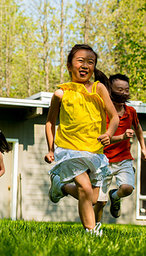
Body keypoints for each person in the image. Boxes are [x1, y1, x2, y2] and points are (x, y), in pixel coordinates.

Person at [45, 44, 119, 236]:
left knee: (93, 198)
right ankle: (90, 231)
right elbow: (50, 123)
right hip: (69, 149)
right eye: (80, 61)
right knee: (85, 188)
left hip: (94, 150)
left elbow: (114, 116)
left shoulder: (99, 88)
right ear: (69, 66)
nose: (85, 65)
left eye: (90, 62)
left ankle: (60, 186)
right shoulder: (61, 93)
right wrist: (51, 150)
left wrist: (109, 134)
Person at [94, 74, 146, 222]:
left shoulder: (131, 111)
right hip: (104, 161)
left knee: (128, 188)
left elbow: (138, 129)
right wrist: (122, 137)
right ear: (110, 90)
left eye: (126, 90)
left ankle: (115, 196)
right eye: (120, 89)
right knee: (100, 201)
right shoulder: (102, 112)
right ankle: (95, 228)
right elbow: (101, 139)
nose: (124, 93)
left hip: (124, 159)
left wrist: (143, 148)